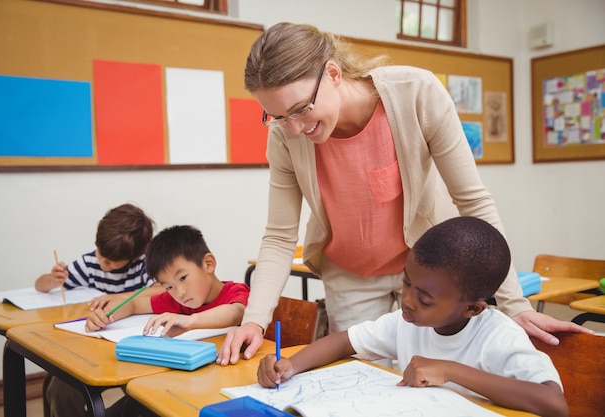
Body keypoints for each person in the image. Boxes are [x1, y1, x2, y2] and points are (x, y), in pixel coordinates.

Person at [216, 22, 591, 366]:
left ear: (332, 73)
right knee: (365, 382)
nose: (294, 128)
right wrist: (254, 321)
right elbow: (280, 236)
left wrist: (513, 305)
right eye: (278, 116)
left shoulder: (416, 93)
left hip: (430, 274)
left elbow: (473, 202)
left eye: (301, 109)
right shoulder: (284, 134)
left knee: (440, 376)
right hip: (351, 275)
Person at [257, 217, 569, 417]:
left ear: (472, 308)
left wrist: (449, 371)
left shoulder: (499, 336)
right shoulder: (407, 322)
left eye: (424, 298)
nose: (407, 301)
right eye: (407, 283)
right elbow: (343, 342)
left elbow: (554, 404)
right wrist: (291, 365)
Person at [38, 203, 163, 417]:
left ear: (135, 256)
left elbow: (161, 289)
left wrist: (117, 297)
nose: (103, 262)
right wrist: (52, 279)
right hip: (90, 349)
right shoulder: (90, 263)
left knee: (145, 395)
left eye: (113, 262)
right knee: (61, 388)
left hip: (133, 348)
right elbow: (40, 285)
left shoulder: (144, 265)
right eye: (101, 253)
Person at [85, 224, 250, 336]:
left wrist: (189, 321)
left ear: (208, 264)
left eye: (183, 278)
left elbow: (235, 313)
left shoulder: (236, 292)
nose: (179, 292)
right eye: (169, 287)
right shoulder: (179, 302)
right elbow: (133, 305)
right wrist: (106, 315)